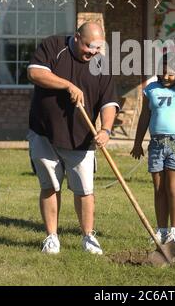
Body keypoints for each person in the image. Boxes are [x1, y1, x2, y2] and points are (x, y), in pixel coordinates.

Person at [27, 21, 119, 255]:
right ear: (77, 37)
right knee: (50, 186)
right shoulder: (54, 46)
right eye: (89, 46)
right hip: (44, 132)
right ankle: (51, 237)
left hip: (81, 138)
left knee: (85, 190)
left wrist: (106, 129)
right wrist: (67, 85)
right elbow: (34, 73)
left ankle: (88, 236)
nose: (93, 52)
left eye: (98, 48)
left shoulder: (101, 64)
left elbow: (109, 103)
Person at [130, 52, 175, 246]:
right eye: (162, 72)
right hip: (156, 143)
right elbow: (144, 118)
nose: (165, 77)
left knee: (173, 188)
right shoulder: (151, 89)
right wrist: (137, 143)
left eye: (170, 74)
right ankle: (161, 230)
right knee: (159, 189)